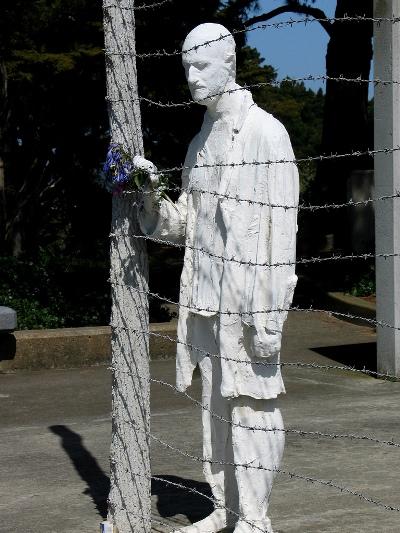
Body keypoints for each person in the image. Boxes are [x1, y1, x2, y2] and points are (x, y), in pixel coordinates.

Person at [136, 23, 299, 533]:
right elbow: (186, 224)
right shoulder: (198, 144)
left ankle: (254, 518)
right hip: (205, 300)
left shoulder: (266, 134)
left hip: (249, 306)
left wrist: (270, 319)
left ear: (229, 64)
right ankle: (224, 508)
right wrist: (148, 192)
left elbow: (281, 234)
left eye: (201, 65)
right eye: (185, 65)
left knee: (254, 406)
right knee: (216, 410)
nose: (191, 76)